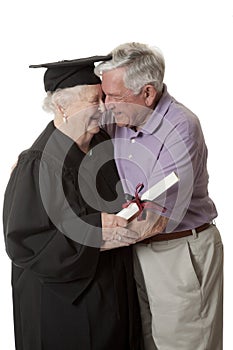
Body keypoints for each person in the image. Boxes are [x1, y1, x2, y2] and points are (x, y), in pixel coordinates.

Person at [2, 55, 143, 350]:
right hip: (64, 306)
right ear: (61, 107)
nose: (104, 108)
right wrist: (94, 230)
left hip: (110, 293)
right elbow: (25, 243)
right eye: (94, 100)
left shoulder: (102, 143)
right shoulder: (38, 164)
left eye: (103, 98)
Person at [95, 42, 224, 350]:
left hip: (178, 252)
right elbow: (74, 134)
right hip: (137, 253)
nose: (105, 104)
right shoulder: (121, 115)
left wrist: (75, 246)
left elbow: (153, 220)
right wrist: (32, 160)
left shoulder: (180, 127)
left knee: (183, 344)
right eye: (103, 95)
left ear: (148, 94)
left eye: (113, 96)